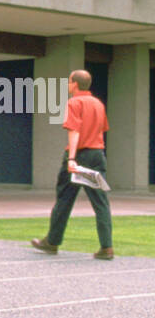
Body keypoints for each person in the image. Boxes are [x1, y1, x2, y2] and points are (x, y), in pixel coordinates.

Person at [32, 70, 114, 260]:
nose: (68, 86)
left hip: (79, 155)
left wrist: (72, 158)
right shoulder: (98, 104)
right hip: (97, 155)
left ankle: (52, 242)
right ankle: (107, 247)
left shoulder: (74, 103)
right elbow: (102, 130)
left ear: (75, 84)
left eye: (69, 82)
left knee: (65, 199)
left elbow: (74, 131)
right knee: (101, 203)